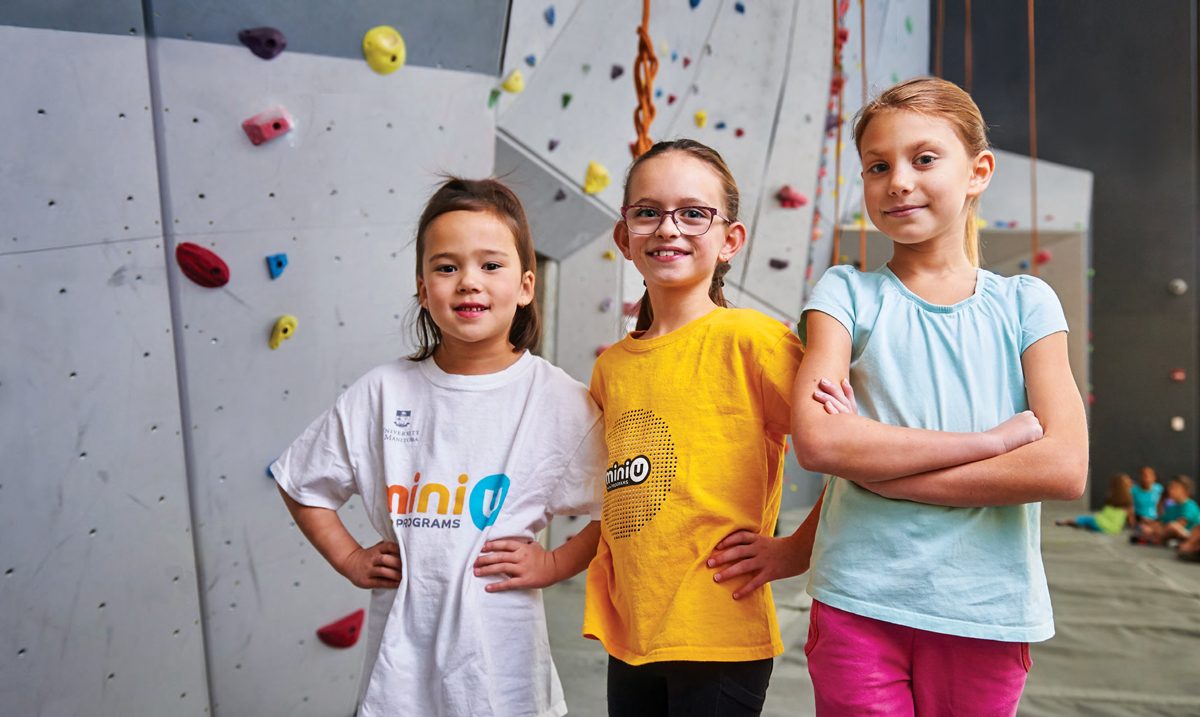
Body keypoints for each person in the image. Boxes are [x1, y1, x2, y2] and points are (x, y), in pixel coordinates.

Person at [786, 77, 1089, 716]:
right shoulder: (846, 295)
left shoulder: (1026, 303)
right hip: (859, 599)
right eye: (877, 165)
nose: (898, 180)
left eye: (924, 159)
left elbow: (1061, 467)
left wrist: (887, 475)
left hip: (986, 608)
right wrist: (988, 445)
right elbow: (820, 440)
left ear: (977, 172)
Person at [271, 177, 607, 717]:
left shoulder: (557, 399)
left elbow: (619, 507)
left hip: (504, 665)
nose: (468, 283)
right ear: (424, 291)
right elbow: (300, 481)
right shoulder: (383, 391)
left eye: (490, 266)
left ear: (525, 286)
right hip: (400, 670)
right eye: (447, 267)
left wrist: (553, 563)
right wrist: (350, 558)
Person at [582, 139, 808, 716]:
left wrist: (793, 552)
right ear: (624, 236)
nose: (668, 228)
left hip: (718, 627)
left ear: (729, 239)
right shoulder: (611, 367)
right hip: (631, 630)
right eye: (647, 211)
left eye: (693, 213)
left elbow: (851, 454)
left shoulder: (755, 342)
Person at [1055, 473, 1133, 533]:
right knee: (1088, 521)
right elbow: (1130, 519)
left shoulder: (1112, 498)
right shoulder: (1128, 501)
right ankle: (1081, 525)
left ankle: (1068, 522)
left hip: (1101, 522)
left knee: (1085, 519)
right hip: (1114, 528)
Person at [1135, 475, 1200, 545]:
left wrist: (1158, 530)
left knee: (1173, 526)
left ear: (1186, 491)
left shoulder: (1189, 505)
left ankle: (1155, 539)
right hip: (1170, 534)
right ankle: (1153, 538)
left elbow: (1180, 524)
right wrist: (1150, 524)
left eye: (1174, 487)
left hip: (1190, 535)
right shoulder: (1171, 507)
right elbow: (1162, 522)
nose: (1170, 490)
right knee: (1145, 527)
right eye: (1170, 487)